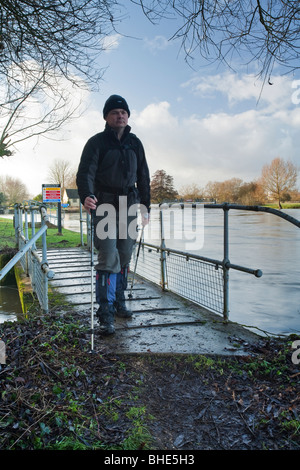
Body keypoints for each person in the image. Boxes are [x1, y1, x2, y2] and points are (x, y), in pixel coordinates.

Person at [76, 95, 150, 335]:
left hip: (129, 205)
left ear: (128, 116)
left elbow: (144, 176)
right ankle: (105, 312)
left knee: (125, 254)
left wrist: (145, 205)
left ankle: (119, 302)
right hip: (104, 205)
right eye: (115, 112)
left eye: (124, 112)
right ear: (107, 117)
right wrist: (86, 194)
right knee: (108, 255)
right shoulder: (96, 143)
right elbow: (85, 172)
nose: (120, 116)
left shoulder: (135, 143)